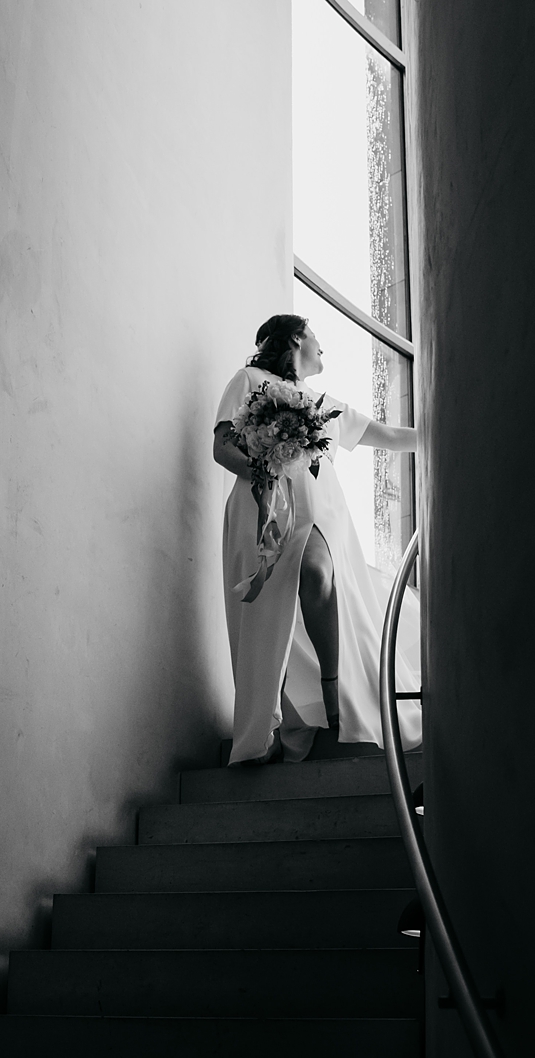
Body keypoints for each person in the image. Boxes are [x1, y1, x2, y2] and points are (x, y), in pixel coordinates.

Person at [214, 314, 424, 764]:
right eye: (316, 337)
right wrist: (262, 473)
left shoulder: (321, 402)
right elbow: (222, 446)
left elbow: (386, 436)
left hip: (319, 509)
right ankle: (271, 722)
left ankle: (334, 697)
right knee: (268, 614)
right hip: (261, 508)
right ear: (296, 338)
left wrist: (442, 434)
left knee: (316, 574)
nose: (322, 346)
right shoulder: (248, 379)